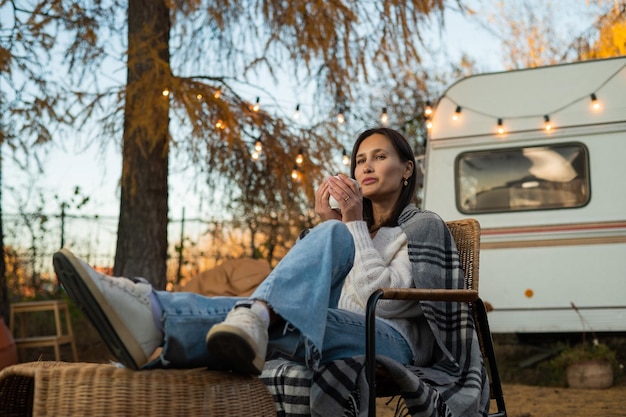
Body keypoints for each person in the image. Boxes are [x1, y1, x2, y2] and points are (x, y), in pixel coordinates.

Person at [53, 127, 488, 416]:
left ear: (407, 168)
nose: (367, 167)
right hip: (336, 328)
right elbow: (326, 299)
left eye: (379, 157)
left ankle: (153, 310)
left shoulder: (423, 226)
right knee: (327, 241)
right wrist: (334, 228)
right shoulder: (350, 230)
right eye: (360, 160)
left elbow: (388, 303)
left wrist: (351, 224)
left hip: (392, 342)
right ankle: (253, 316)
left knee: (333, 242)